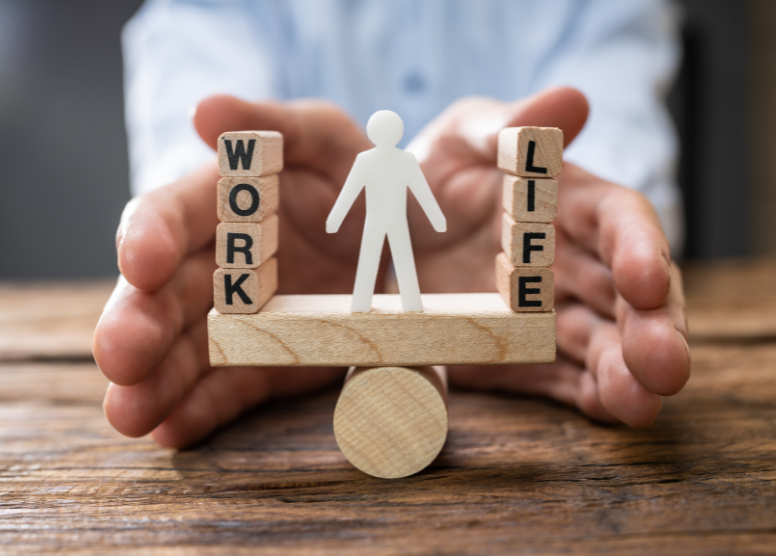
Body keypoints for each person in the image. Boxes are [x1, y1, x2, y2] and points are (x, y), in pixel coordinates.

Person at [93, 0, 691, 448]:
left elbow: (617, 61)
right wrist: (215, 194)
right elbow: (199, 28)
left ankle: (388, 297)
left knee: (395, 263)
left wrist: (591, 203)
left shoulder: (398, 161)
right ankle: (373, 298)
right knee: (379, 265)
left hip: (409, 226)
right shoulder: (385, 161)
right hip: (355, 229)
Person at [327, 110, 446, 312]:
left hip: (385, 219)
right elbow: (350, 190)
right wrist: (437, 219)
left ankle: (372, 304)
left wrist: (335, 220)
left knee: (381, 259)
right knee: (394, 259)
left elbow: (421, 190)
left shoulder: (382, 160)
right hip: (384, 219)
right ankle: (405, 304)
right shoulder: (394, 159)